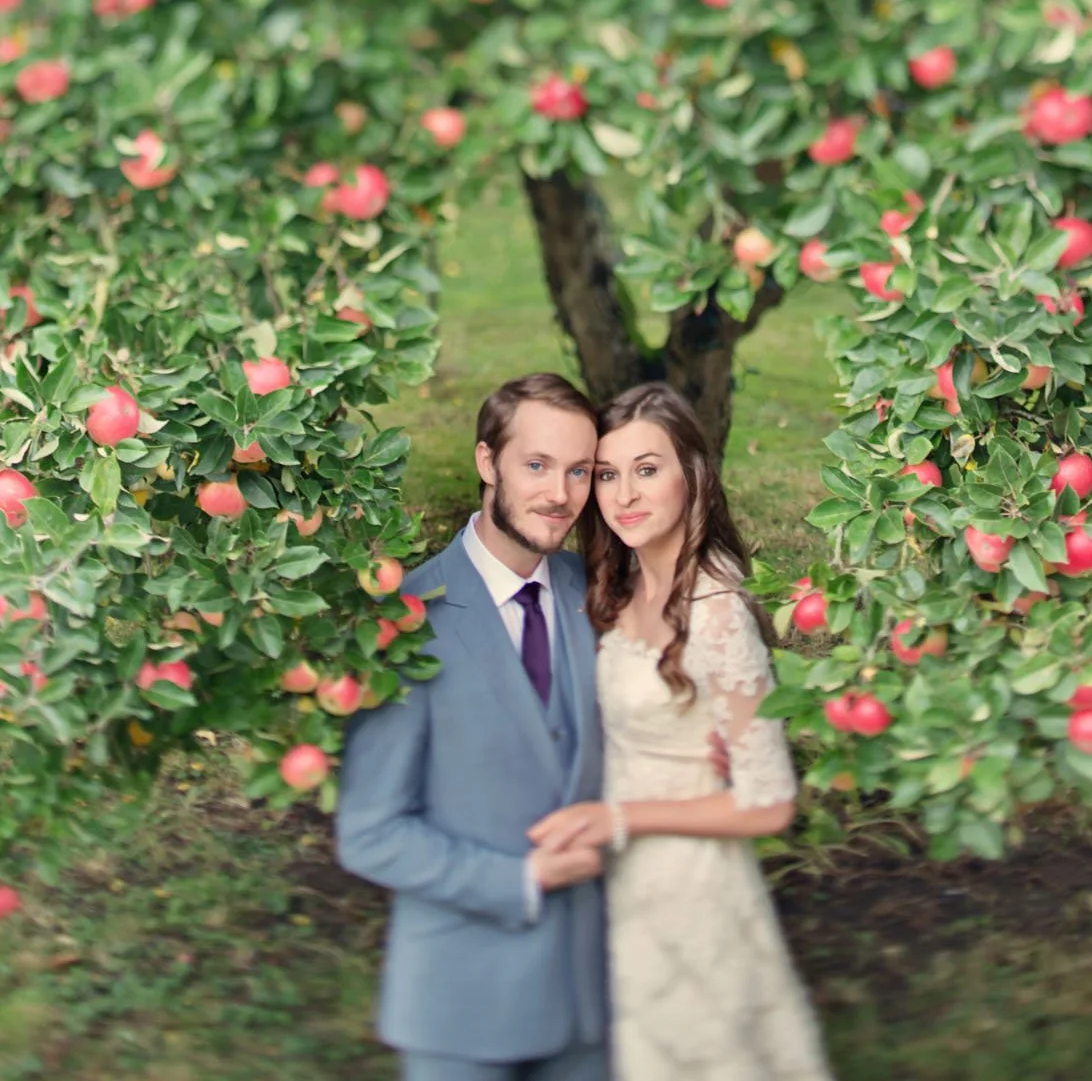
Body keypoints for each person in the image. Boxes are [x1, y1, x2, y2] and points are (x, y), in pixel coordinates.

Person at [530, 380, 835, 1081]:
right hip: (613, 874)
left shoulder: (716, 611)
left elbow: (769, 803)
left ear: (691, 477)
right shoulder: (618, 582)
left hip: (687, 882)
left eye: (647, 469)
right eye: (606, 475)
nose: (623, 496)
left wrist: (617, 817)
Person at [335, 372, 609, 1081]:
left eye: (578, 471)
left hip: (593, 1005)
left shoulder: (600, 593)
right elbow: (371, 832)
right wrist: (521, 878)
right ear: (487, 462)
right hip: (461, 1010)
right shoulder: (403, 620)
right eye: (537, 465)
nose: (559, 494)